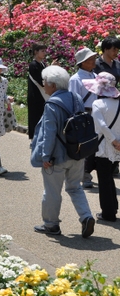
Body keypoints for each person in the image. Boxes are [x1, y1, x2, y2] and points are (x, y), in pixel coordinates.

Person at [30, 65, 95, 238]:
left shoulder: (52, 104)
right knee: (75, 188)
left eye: (44, 82)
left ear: (52, 84)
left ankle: (51, 225)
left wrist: (45, 156)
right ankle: (86, 216)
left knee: (52, 191)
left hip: (57, 156)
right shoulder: (76, 97)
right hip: (77, 153)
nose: (43, 85)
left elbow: (49, 133)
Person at [85, 72, 120, 222]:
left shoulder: (97, 104)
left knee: (104, 180)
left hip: (104, 147)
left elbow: (102, 126)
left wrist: (113, 140)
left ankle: (108, 213)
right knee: (109, 177)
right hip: (118, 147)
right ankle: (112, 207)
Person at [69, 47, 98, 188]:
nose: (94, 61)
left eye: (93, 58)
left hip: (96, 113)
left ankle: (87, 172)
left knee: (94, 144)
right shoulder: (75, 79)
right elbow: (73, 100)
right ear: (82, 62)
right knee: (85, 144)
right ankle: (84, 175)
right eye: (90, 59)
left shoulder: (95, 76)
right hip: (84, 115)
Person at [27, 43, 48, 139]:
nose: (44, 53)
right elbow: (40, 81)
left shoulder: (43, 64)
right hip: (35, 95)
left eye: (45, 51)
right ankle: (34, 137)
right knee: (35, 117)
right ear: (36, 52)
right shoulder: (33, 65)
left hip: (42, 95)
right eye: (42, 51)